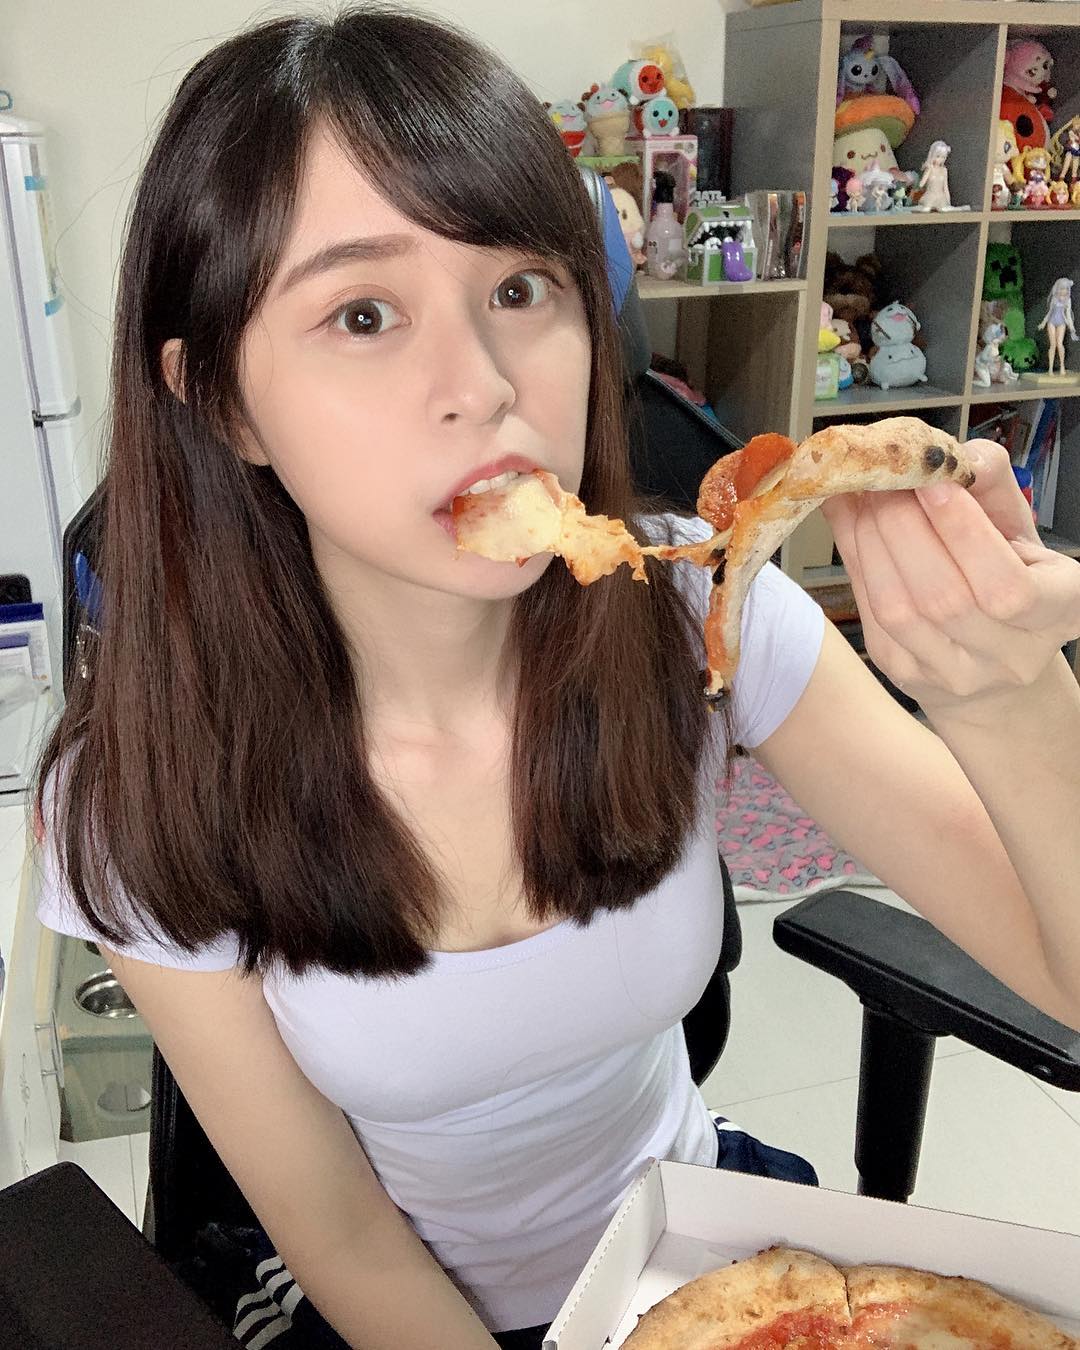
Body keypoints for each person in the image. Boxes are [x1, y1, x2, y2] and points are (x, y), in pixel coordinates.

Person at [33, 6, 1080, 1349]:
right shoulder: (134, 793)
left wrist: (1009, 698)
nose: (482, 385)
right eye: (363, 313)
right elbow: (343, 1236)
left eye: (521, 290)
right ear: (222, 400)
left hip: (709, 1249)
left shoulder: (698, 615)